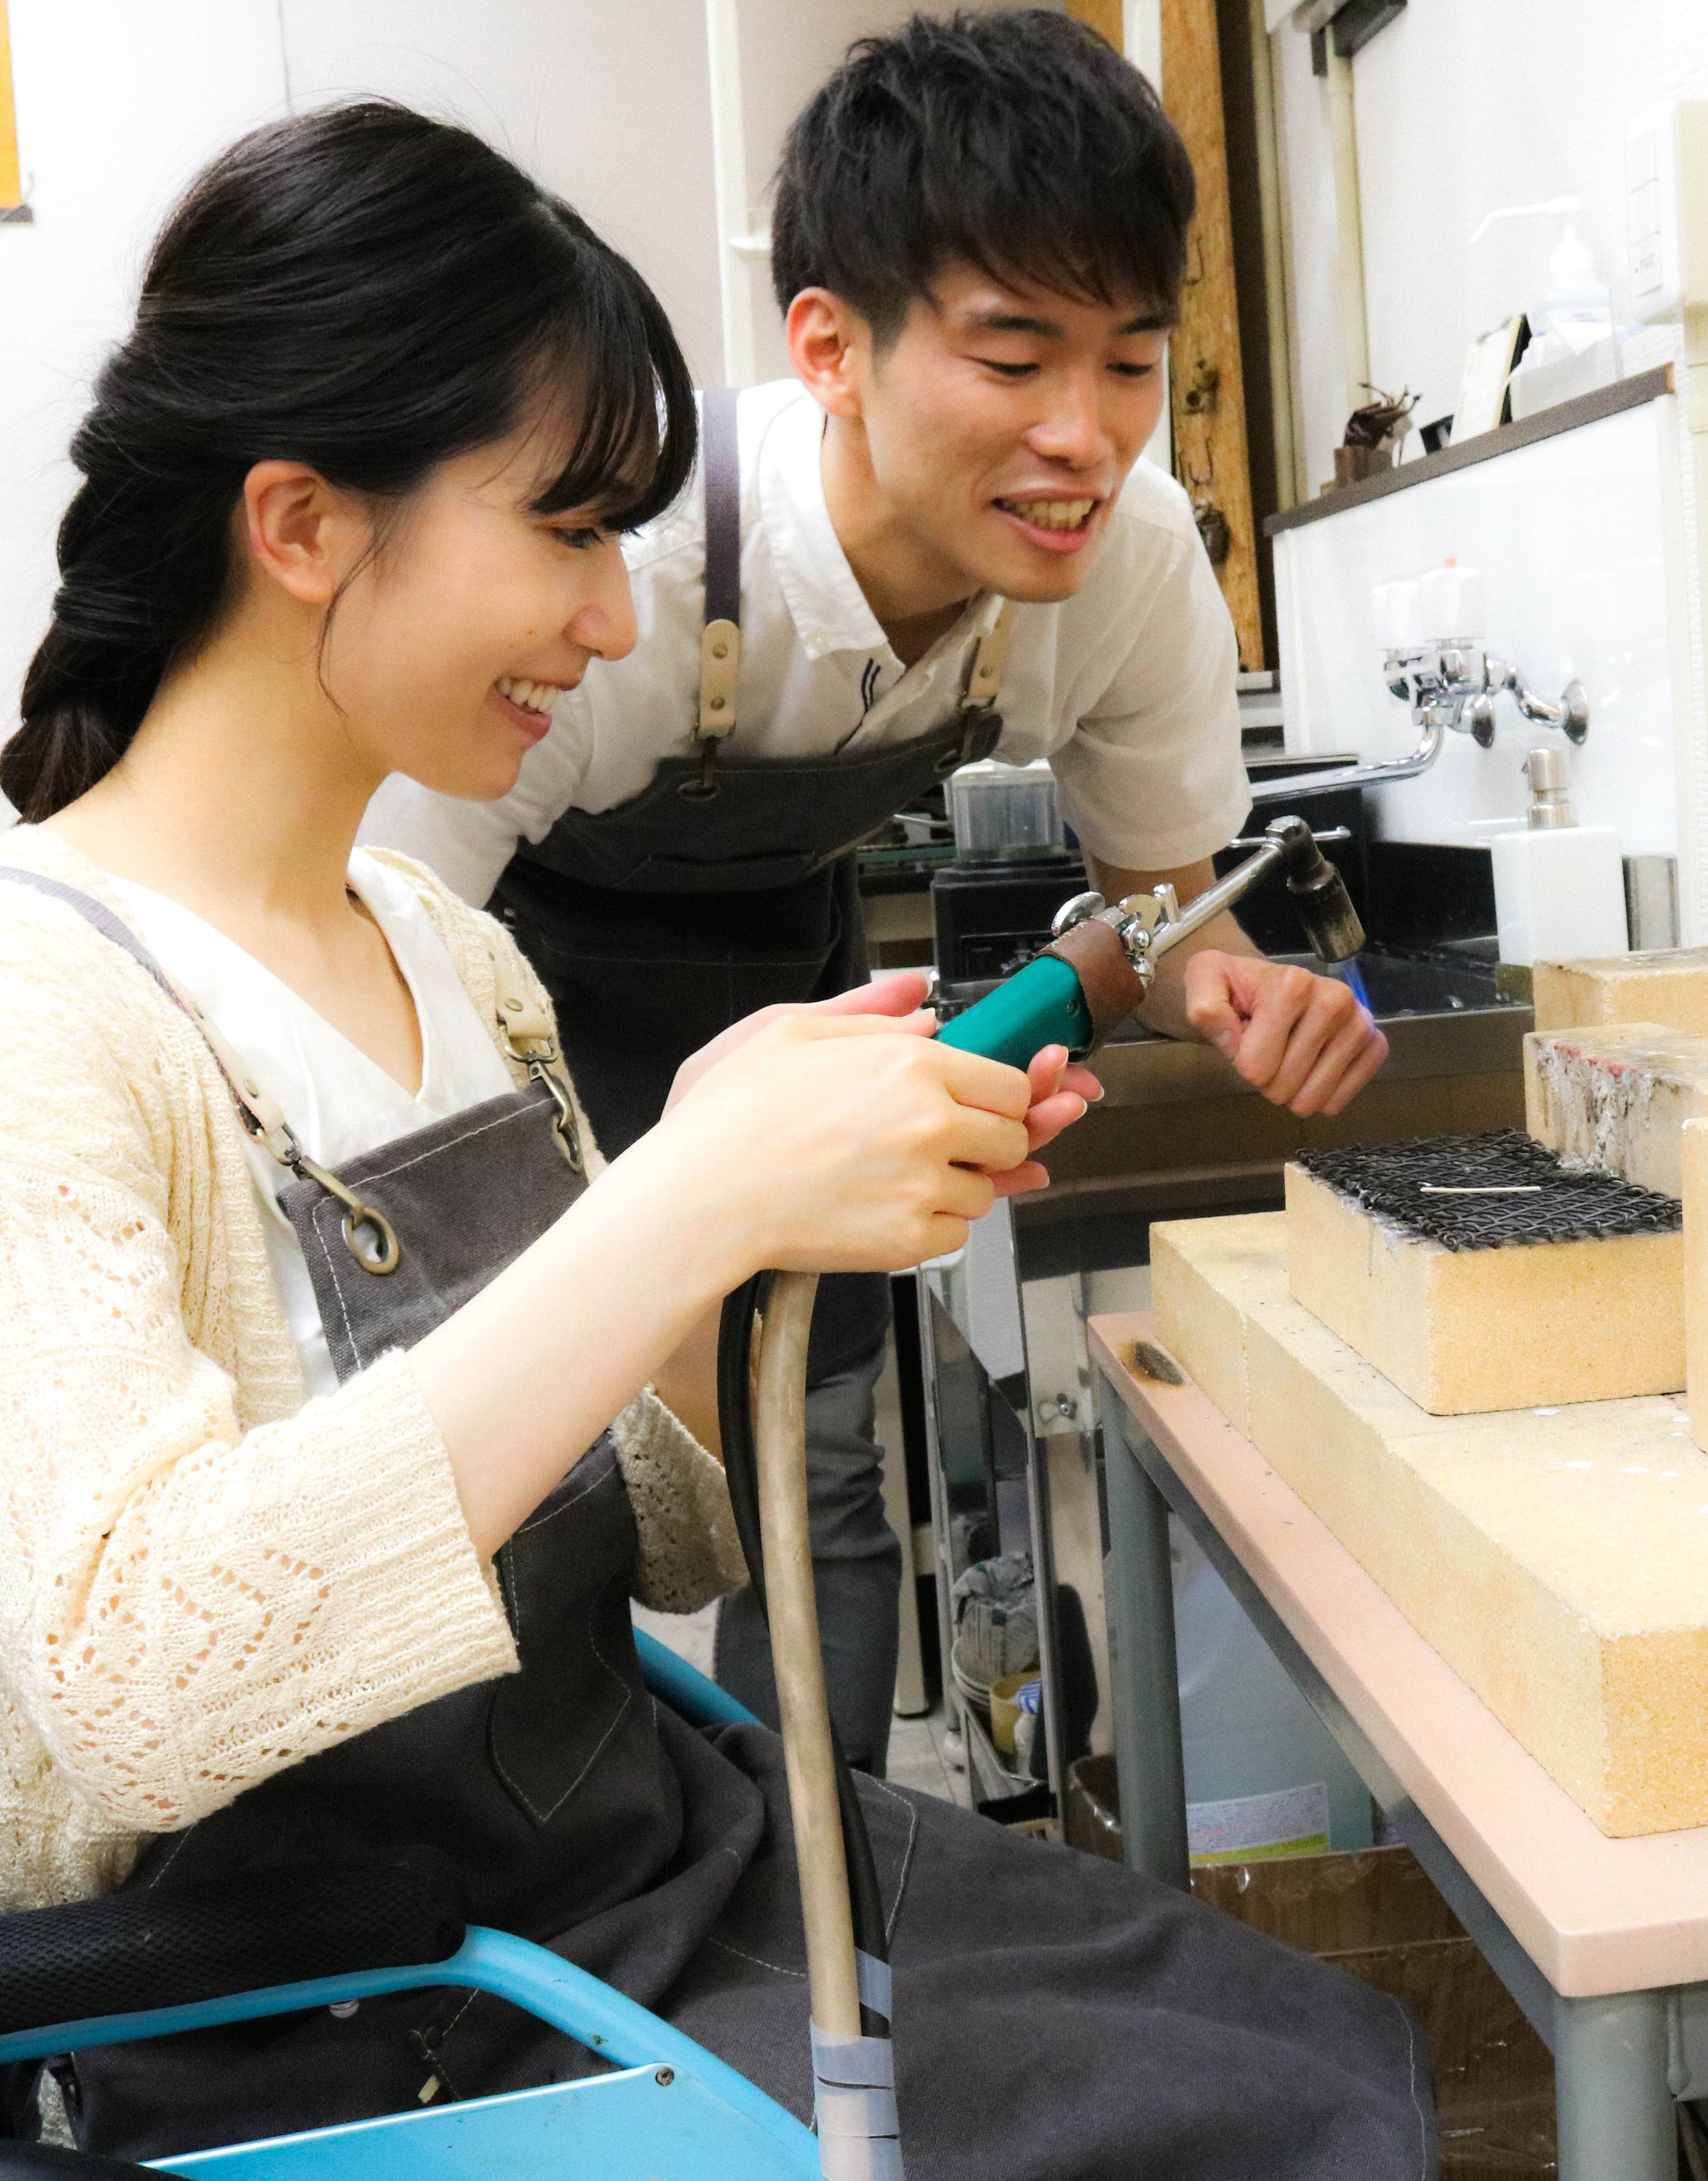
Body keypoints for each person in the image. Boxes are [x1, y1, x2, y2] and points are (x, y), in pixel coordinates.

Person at [0, 100, 1432, 2176]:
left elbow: (662, 1531)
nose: (611, 622)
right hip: (343, 2001)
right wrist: (682, 1200)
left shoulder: (438, 949)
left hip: (625, 1862)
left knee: (1317, 2044)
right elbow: (138, 1684)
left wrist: (762, 1205)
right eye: (568, 536)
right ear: (302, 524)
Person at [370, 12, 1387, 1767]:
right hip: (509, 991)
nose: (1085, 436)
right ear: (832, 348)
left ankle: (813, 1863)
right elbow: (382, 952)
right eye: (1015, 359)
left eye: (1131, 365)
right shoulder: (620, 560)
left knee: (817, 1457)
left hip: (790, 972)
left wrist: (1227, 982)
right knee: (522, 1470)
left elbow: (1162, 910)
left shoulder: (1132, 566)